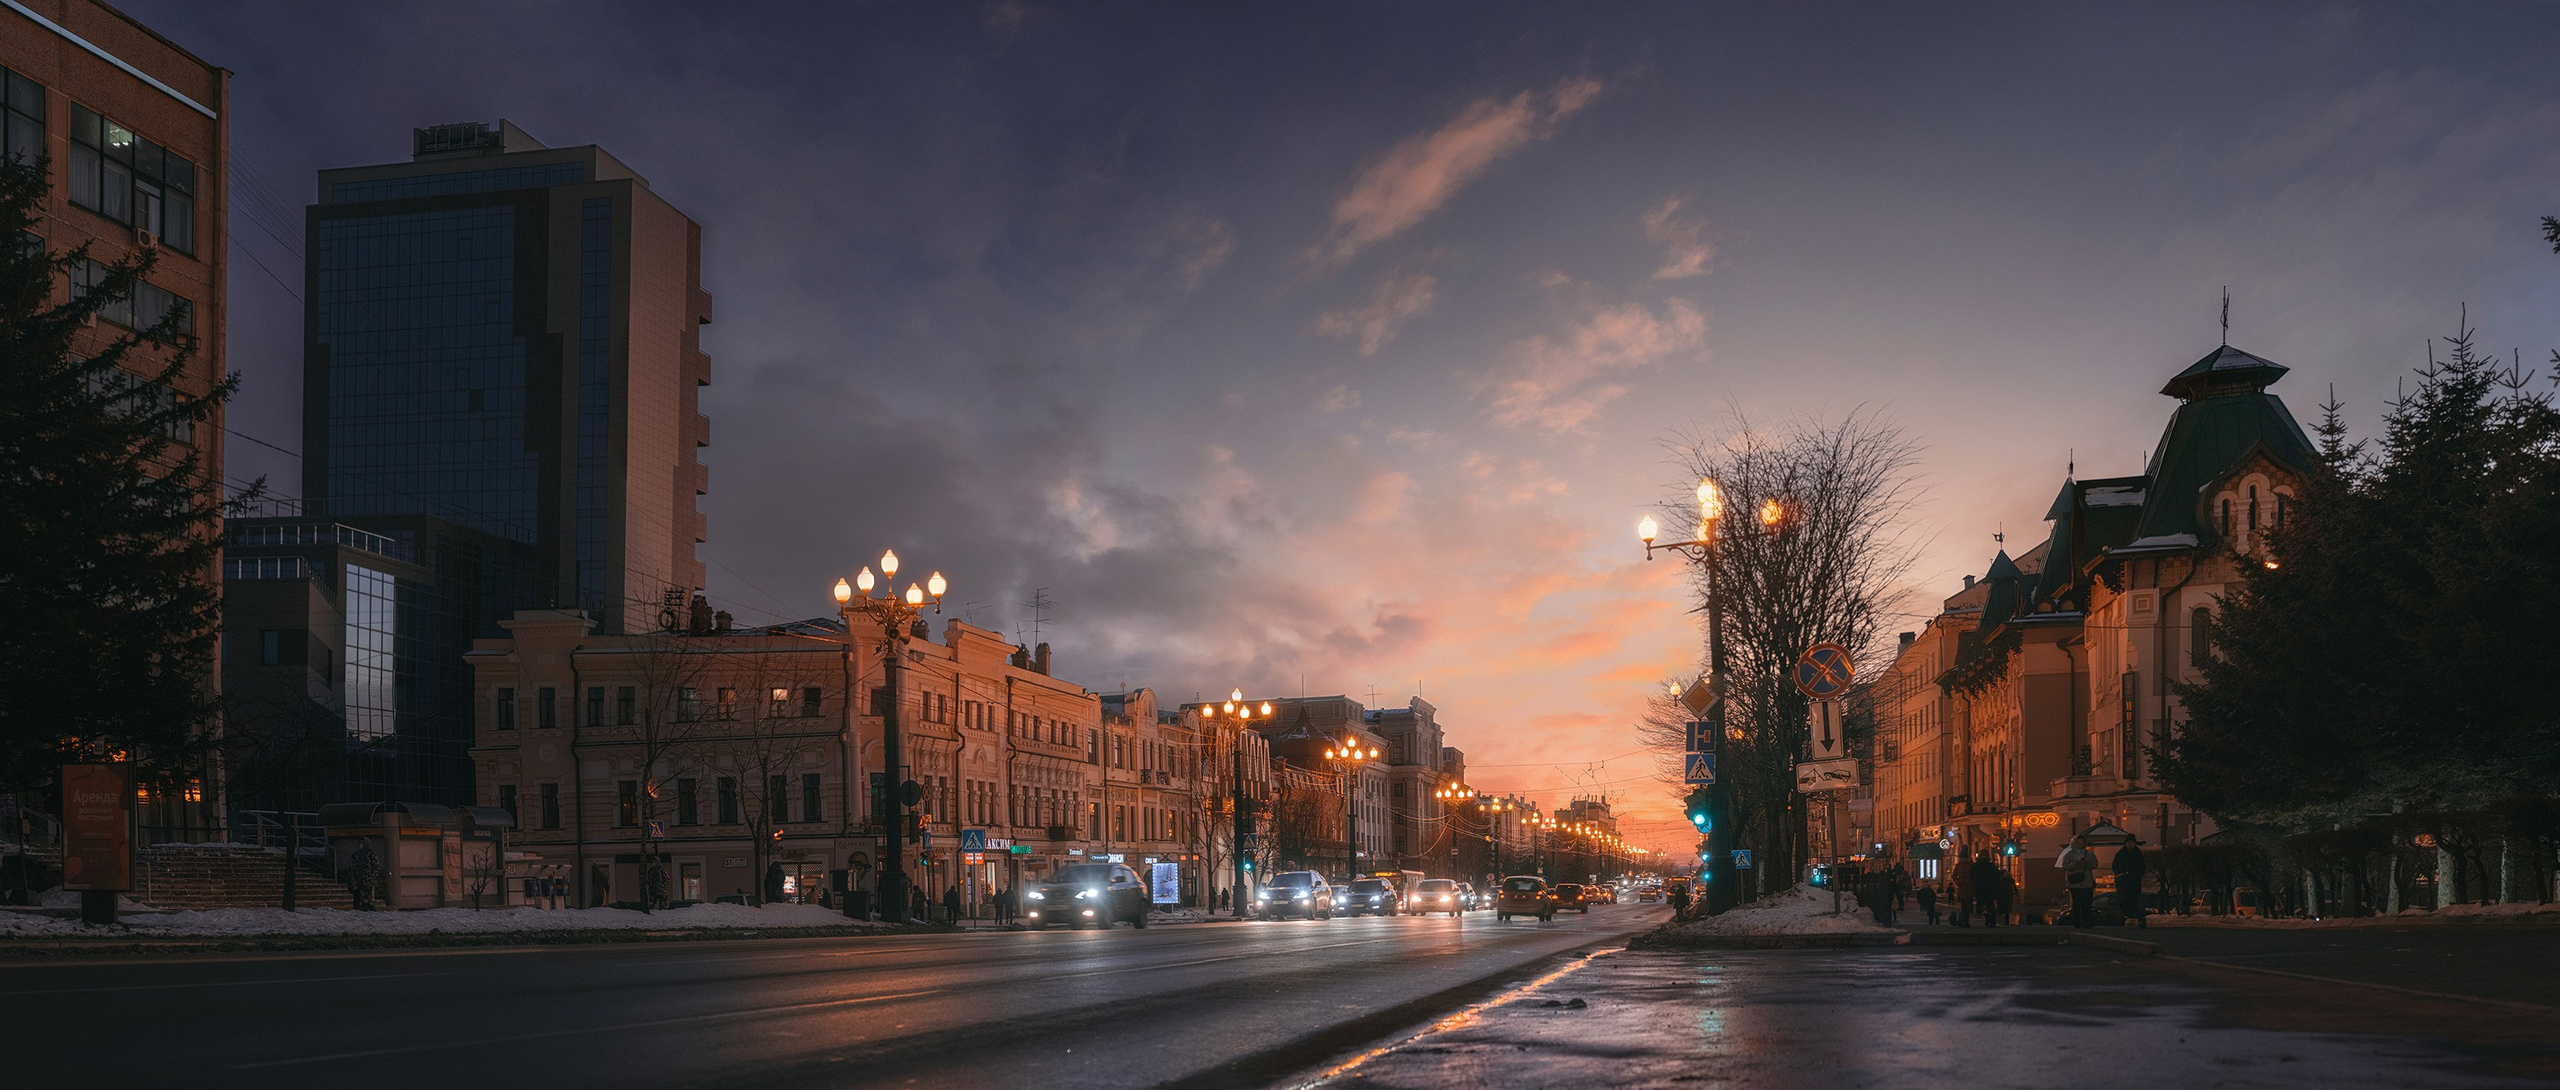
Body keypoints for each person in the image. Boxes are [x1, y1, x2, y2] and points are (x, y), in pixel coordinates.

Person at [2058, 836, 2100, 928]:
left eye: (2082, 843)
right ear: (2074, 843)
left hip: (2087, 882)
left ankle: (2086, 923)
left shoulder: (2089, 854)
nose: (2080, 845)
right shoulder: (2069, 854)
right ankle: (2076, 922)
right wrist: (2075, 863)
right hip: (2075, 883)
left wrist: (2087, 863)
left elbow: (2095, 864)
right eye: (2078, 843)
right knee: (2076, 904)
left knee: (2086, 904)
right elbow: (2065, 866)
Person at [2113, 841, 2149, 928]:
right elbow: (2115, 866)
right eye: (2129, 842)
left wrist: (2136, 874)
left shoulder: (2137, 854)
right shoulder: (2121, 854)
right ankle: (2126, 915)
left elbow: (2142, 867)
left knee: (2133, 898)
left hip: (2133, 881)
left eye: (2132, 842)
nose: (2130, 844)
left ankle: (2131, 915)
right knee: (2124, 898)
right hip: (2124, 881)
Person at [1969, 850, 2004, 928]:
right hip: (1990, 888)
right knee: (1990, 904)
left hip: (1980, 888)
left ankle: (1986, 916)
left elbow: (1971, 876)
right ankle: (1991, 919)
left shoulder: (1976, 866)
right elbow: (1997, 875)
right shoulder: (1991, 866)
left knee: (1981, 904)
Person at [1951, 858, 1974, 927]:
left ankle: (1963, 920)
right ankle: (1964, 921)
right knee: (1965, 905)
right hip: (1966, 888)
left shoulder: (1961, 865)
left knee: (1965, 905)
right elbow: (1954, 876)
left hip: (1966, 888)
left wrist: (1958, 883)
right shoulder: (1970, 865)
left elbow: (1954, 876)